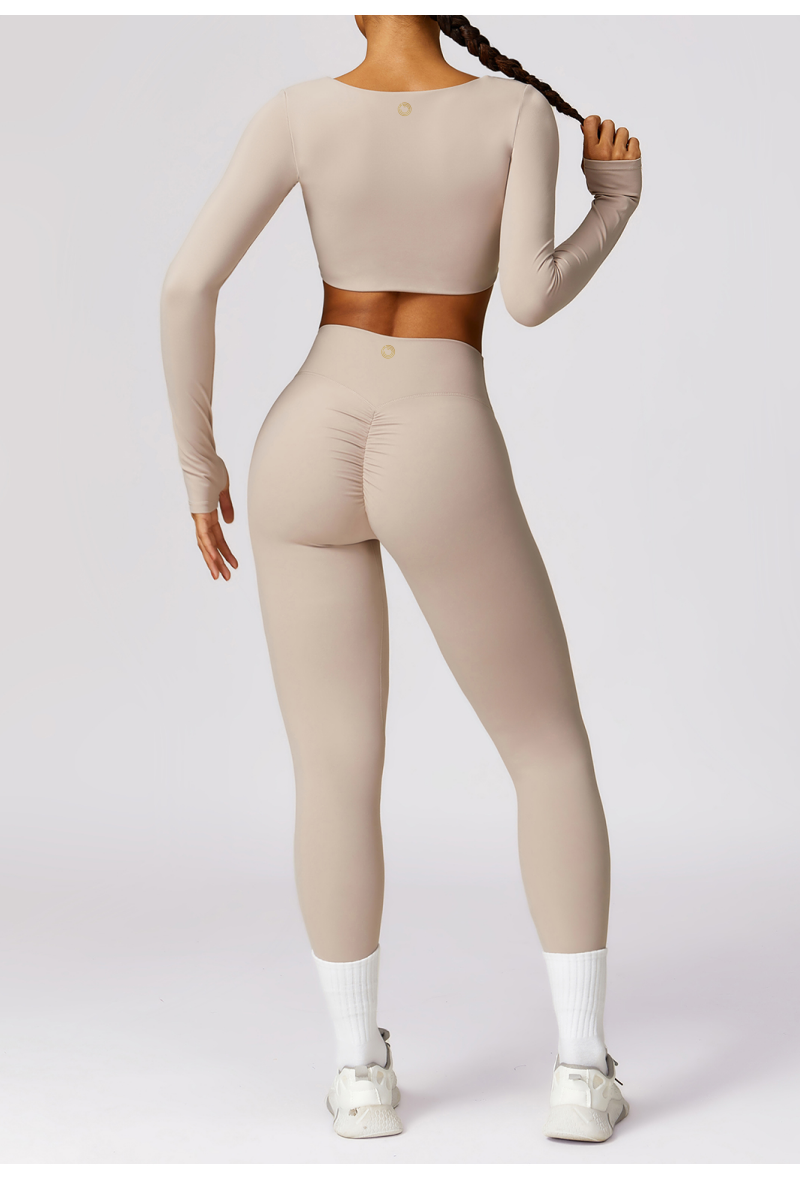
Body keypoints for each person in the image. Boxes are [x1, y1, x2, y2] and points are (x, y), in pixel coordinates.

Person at [159, 14, 642, 1144]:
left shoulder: (298, 112)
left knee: (332, 771)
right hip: (437, 430)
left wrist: (198, 466)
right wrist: (613, 202)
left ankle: (357, 1075)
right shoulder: (513, 112)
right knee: (545, 747)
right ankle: (581, 1073)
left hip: (304, 433)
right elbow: (527, 296)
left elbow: (186, 287)